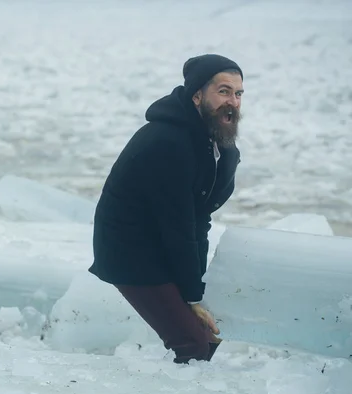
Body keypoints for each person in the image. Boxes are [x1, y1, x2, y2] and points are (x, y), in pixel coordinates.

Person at [89, 54, 244, 364]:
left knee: (210, 335)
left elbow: (199, 219)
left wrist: (196, 288)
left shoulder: (216, 145)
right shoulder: (168, 143)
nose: (233, 102)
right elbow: (178, 224)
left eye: (238, 94)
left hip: (164, 243)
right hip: (130, 251)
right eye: (224, 91)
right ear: (197, 95)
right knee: (193, 344)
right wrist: (192, 296)